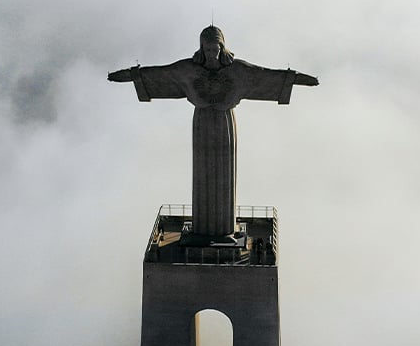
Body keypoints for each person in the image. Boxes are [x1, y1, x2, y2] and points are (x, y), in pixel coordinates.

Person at [109, 26, 317, 242]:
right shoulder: (188, 70)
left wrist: (297, 79)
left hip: (225, 126)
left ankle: (224, 230)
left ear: (222, 46)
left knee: (224, 175)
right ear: (201, 47)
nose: (212, 53)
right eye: (207, 49)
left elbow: (264, 76)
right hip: (202, 126)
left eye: (215, 48)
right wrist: (131, 76)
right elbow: (160, 74)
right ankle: (204, 230)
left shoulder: (237, 70)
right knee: (202, 175)